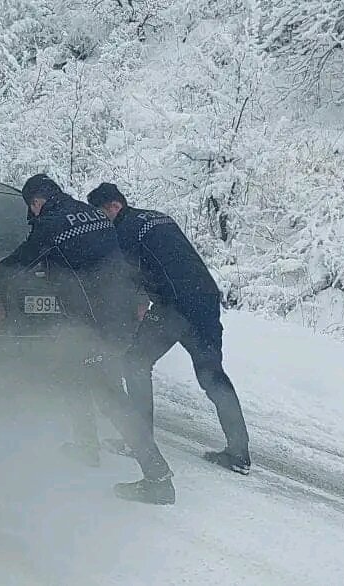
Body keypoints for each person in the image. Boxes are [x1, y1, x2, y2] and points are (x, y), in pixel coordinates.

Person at [0, 174, 174, 502]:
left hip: (95, 323)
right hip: (120, 313)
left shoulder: (50, 224)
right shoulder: (93, 214)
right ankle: (86, 446)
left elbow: (21, 263)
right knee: (74, 373)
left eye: (32, 208)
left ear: (36, 202)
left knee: (111, 396)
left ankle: (158, 479)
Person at [86, 182, 252, 495]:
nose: (101, 222)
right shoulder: (157, 217)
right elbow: (167, 258)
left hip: (174, 306)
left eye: (100, 214)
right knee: (213, 375)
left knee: (135, 363)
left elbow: (126, 277)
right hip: (204, 297)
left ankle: (139, 440)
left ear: (112, 207)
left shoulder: (124, 232)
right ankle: (239, 453)